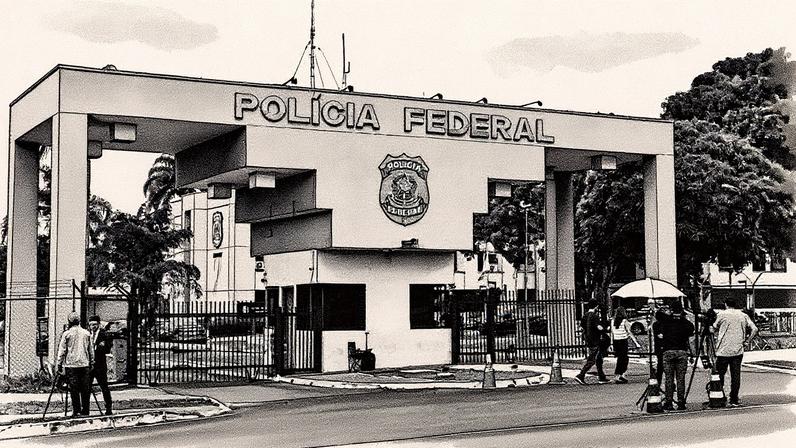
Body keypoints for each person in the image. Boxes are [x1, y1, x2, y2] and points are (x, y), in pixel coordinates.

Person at [711, 297, 758, 407]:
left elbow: (713, 328)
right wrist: (747, 341)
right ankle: (734, 398)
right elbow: (754, 329)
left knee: (720, 374)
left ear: (726, 304)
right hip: (738, 349)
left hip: (723, 350)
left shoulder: (722, 314)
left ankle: (720, 397)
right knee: (735, 375)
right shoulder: (743, 315)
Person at [56, 312, 94, 417]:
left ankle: (76, 410)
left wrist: (59, 363)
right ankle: (86, 410)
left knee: (74, 389)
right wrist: (92, 361)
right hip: (84, 363)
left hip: (71, 365)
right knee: (85, 389)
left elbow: (62, 350)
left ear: (69, 322)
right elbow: (90, 350)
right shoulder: (86, 333)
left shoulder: (67, 334)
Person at [659, 300, 694, 410]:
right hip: (682, 351)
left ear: (671, 309)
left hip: (668, 350)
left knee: (669, 378)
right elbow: (691, 331)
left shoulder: (666, 321)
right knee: (680, 378)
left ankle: (668, 402)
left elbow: (659, 320)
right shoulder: (685, 323)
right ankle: (681, 401)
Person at [574, 299, 610, 385]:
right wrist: (606, 329)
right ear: (596, 306)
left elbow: (582, 327)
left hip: (588, 339)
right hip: (595, 340)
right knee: (592, 359)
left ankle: (602, 376)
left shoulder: (585, 316)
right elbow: (599, 327)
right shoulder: (594, 316)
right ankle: (581, 375)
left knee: (599, 359)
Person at [88, 315, 113, 415]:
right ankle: (85, 408)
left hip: (100, 364)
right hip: (90, 365)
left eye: (94, 324)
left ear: (98, 324)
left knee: (104, 387)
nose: (92, 327)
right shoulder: (87, 334)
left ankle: (108, 407)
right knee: (86, 387)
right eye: (90, 325)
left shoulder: (104, 334)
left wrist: (98, 347)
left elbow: (106, 348)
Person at [611, 306, 641, 383]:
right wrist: (636, 342)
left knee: (620, 358)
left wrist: (611, 343)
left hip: (616, 341)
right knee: (624, 358)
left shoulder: (612, 321)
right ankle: (620, 374)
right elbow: (629, 332)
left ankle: (618, 375)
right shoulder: (624, 321)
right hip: (623, 341)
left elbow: (612, 332)